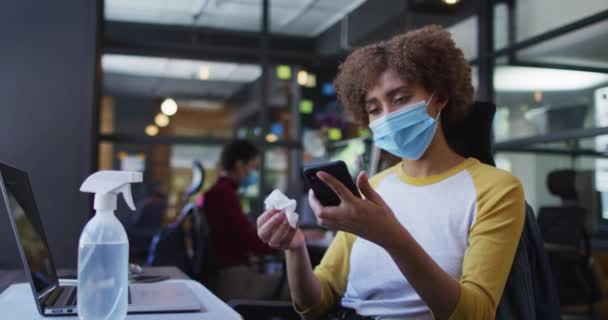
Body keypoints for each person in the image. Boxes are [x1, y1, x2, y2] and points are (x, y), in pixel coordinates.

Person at [257, 25, 525, 320]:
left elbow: (475, 314)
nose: (387, 117)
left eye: (400, 99)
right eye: (374, 109)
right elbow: (314, 304)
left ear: (440, 97)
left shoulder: (497, 188)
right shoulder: (372, 188)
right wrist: (295, 249)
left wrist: (391, 237)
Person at [202, 139, 280, 301]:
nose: (253, 172)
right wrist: (283, 246)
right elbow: (247, 237)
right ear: (239, 165)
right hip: (234, 279)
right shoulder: (224, 193)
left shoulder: (220, 191)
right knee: (297, 285)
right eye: (253, 166)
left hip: (230, 273)